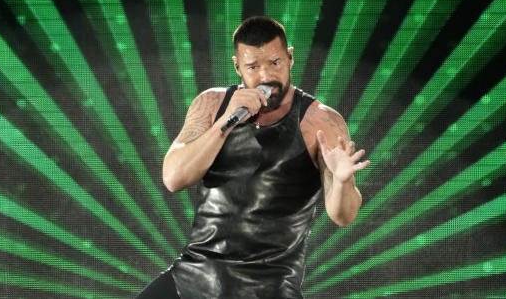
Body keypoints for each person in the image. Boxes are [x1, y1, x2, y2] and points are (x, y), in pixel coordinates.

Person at [136, 16, 371, 299]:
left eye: (275, 63)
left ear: (290, 57)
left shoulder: (320, 122)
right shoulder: (212, 105)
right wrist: (226, 123)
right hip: (194, 278)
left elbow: (343, 216)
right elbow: (173, 178)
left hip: (267, 287)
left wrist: (344, 181)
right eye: (253, 67)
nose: (266, 76)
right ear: (237, 66)